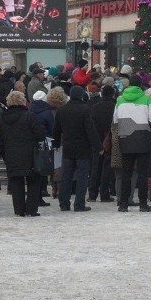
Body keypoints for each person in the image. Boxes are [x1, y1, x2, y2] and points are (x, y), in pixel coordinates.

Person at [112, 74, 151, 212]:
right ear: (140, 86)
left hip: (125, 138)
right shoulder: (147, 99)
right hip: (143, 138)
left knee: (126, 172)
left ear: (128, 85)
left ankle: (123, 204)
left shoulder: (120, 100)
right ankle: (143, 204)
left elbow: (115, 121)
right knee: (142, 172)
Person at [53, 85, 100, 213]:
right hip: (83, 148)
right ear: (81, 95)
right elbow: (90, 130)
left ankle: (64, 203)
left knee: (66, 176)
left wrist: (56, 143)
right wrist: (97, 146)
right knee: (82, 176)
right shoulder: (85, 110)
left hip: (67, 147)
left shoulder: (61, 110)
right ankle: (79, 204)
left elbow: (56, 130)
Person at [0, 90, 46, 217]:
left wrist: (3, 152)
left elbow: (0, 137)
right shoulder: (29, 116)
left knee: (15, 182)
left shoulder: (3, 117)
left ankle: (19, 209)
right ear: (23, 101)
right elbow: (40, 134)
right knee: (33, 181)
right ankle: (31, 209)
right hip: (29, 154)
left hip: (11, 154)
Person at [88, 85, 116, 203]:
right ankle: (105, 194)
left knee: (95, 168)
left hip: (97, 140)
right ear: (112, 95)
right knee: (107, 168)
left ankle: (92, 194)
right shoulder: (115, 107)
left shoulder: (94, 107)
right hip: (110, 139)